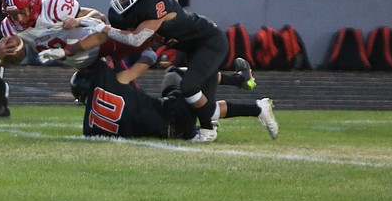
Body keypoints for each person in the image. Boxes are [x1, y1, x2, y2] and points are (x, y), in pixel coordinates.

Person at [90, 0, 279, 141]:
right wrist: (88, 22)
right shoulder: (142, 6)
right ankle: (257, 107)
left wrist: (104, 29)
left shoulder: (154, 3)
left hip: (210, 42)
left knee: (189, 87)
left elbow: (136, 39)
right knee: (204, 104)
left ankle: (207, 130)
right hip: (192, 48)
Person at [70, 51, 275, 142]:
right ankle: (240, 80)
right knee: (176, 74)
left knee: (199, 104)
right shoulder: (114, 82)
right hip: (172, 115)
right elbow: (148, 58)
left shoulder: (91, 128)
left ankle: (258, 108)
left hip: (173, 130)